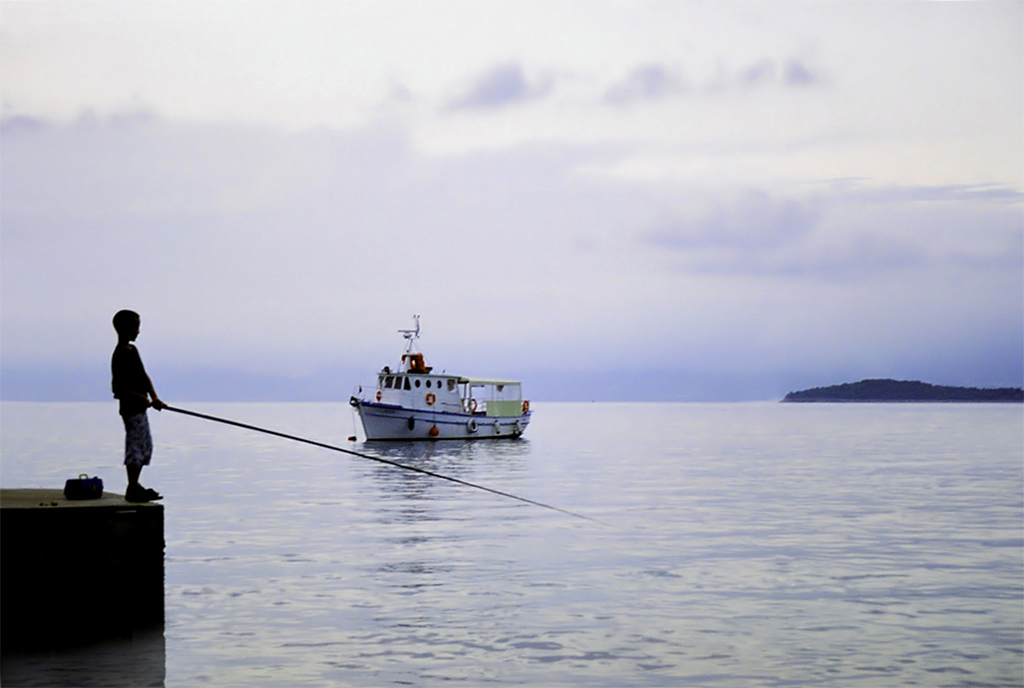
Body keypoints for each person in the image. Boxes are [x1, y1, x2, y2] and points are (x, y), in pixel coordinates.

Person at [111, 310, 167, 503]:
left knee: (145, 446)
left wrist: (154, 397)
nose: (138, 331)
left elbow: (144, 375)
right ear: (124, 329)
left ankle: (135, 485)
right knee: (134, 448)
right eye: (135, 327)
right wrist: (140, 398)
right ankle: (132, 487)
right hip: (130, 409)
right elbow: (118, 390)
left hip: (141, 409)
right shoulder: (119, 354)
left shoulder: (133, 351)